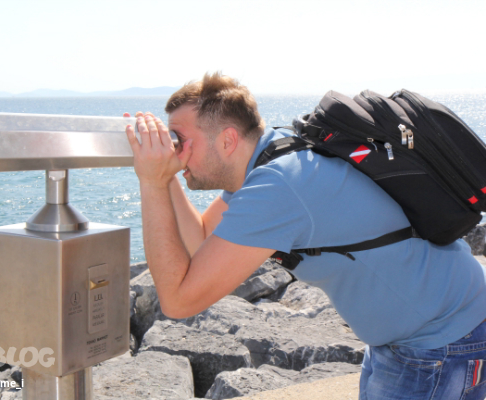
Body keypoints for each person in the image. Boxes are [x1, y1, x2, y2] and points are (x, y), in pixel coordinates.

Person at [124, 72, 486, 400]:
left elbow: (179, 301)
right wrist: (165, 174)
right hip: (421, 332)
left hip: (440, 341)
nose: (175, 150)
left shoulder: (277, 187)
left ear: (228, 140)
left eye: (180, 140)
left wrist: (152, 182)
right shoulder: (274, 152)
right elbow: (202, 238)